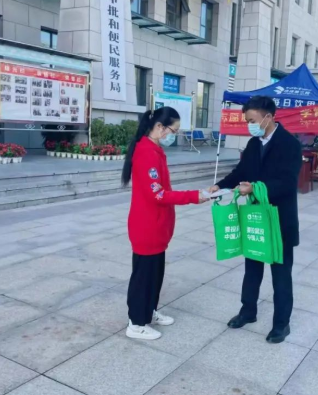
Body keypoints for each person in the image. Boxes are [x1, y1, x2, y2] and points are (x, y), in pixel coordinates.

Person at [208, 96, 302, 344]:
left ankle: (281, 324)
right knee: (252, 269)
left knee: (281, 274)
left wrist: (256, 188)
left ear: (268, 117)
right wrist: (220, 185)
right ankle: (247, 311)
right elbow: (240, 172)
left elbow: (287, 182)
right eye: (247, 121)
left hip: (279, 220)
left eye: (252, 120)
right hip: (255, 218)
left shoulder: (290, 144)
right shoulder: (253, 143)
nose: (250, 125)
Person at [122, 107, 208, 341]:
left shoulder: (155, 150)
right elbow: (157, 194)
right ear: (160, 127)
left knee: (155, 274)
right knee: (144, 277)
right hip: (147, 226)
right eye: (174, 130)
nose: (174, 135)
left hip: (157, 225)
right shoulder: (146, 153)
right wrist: (194, 196)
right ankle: (136, 323)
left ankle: (148, 312)